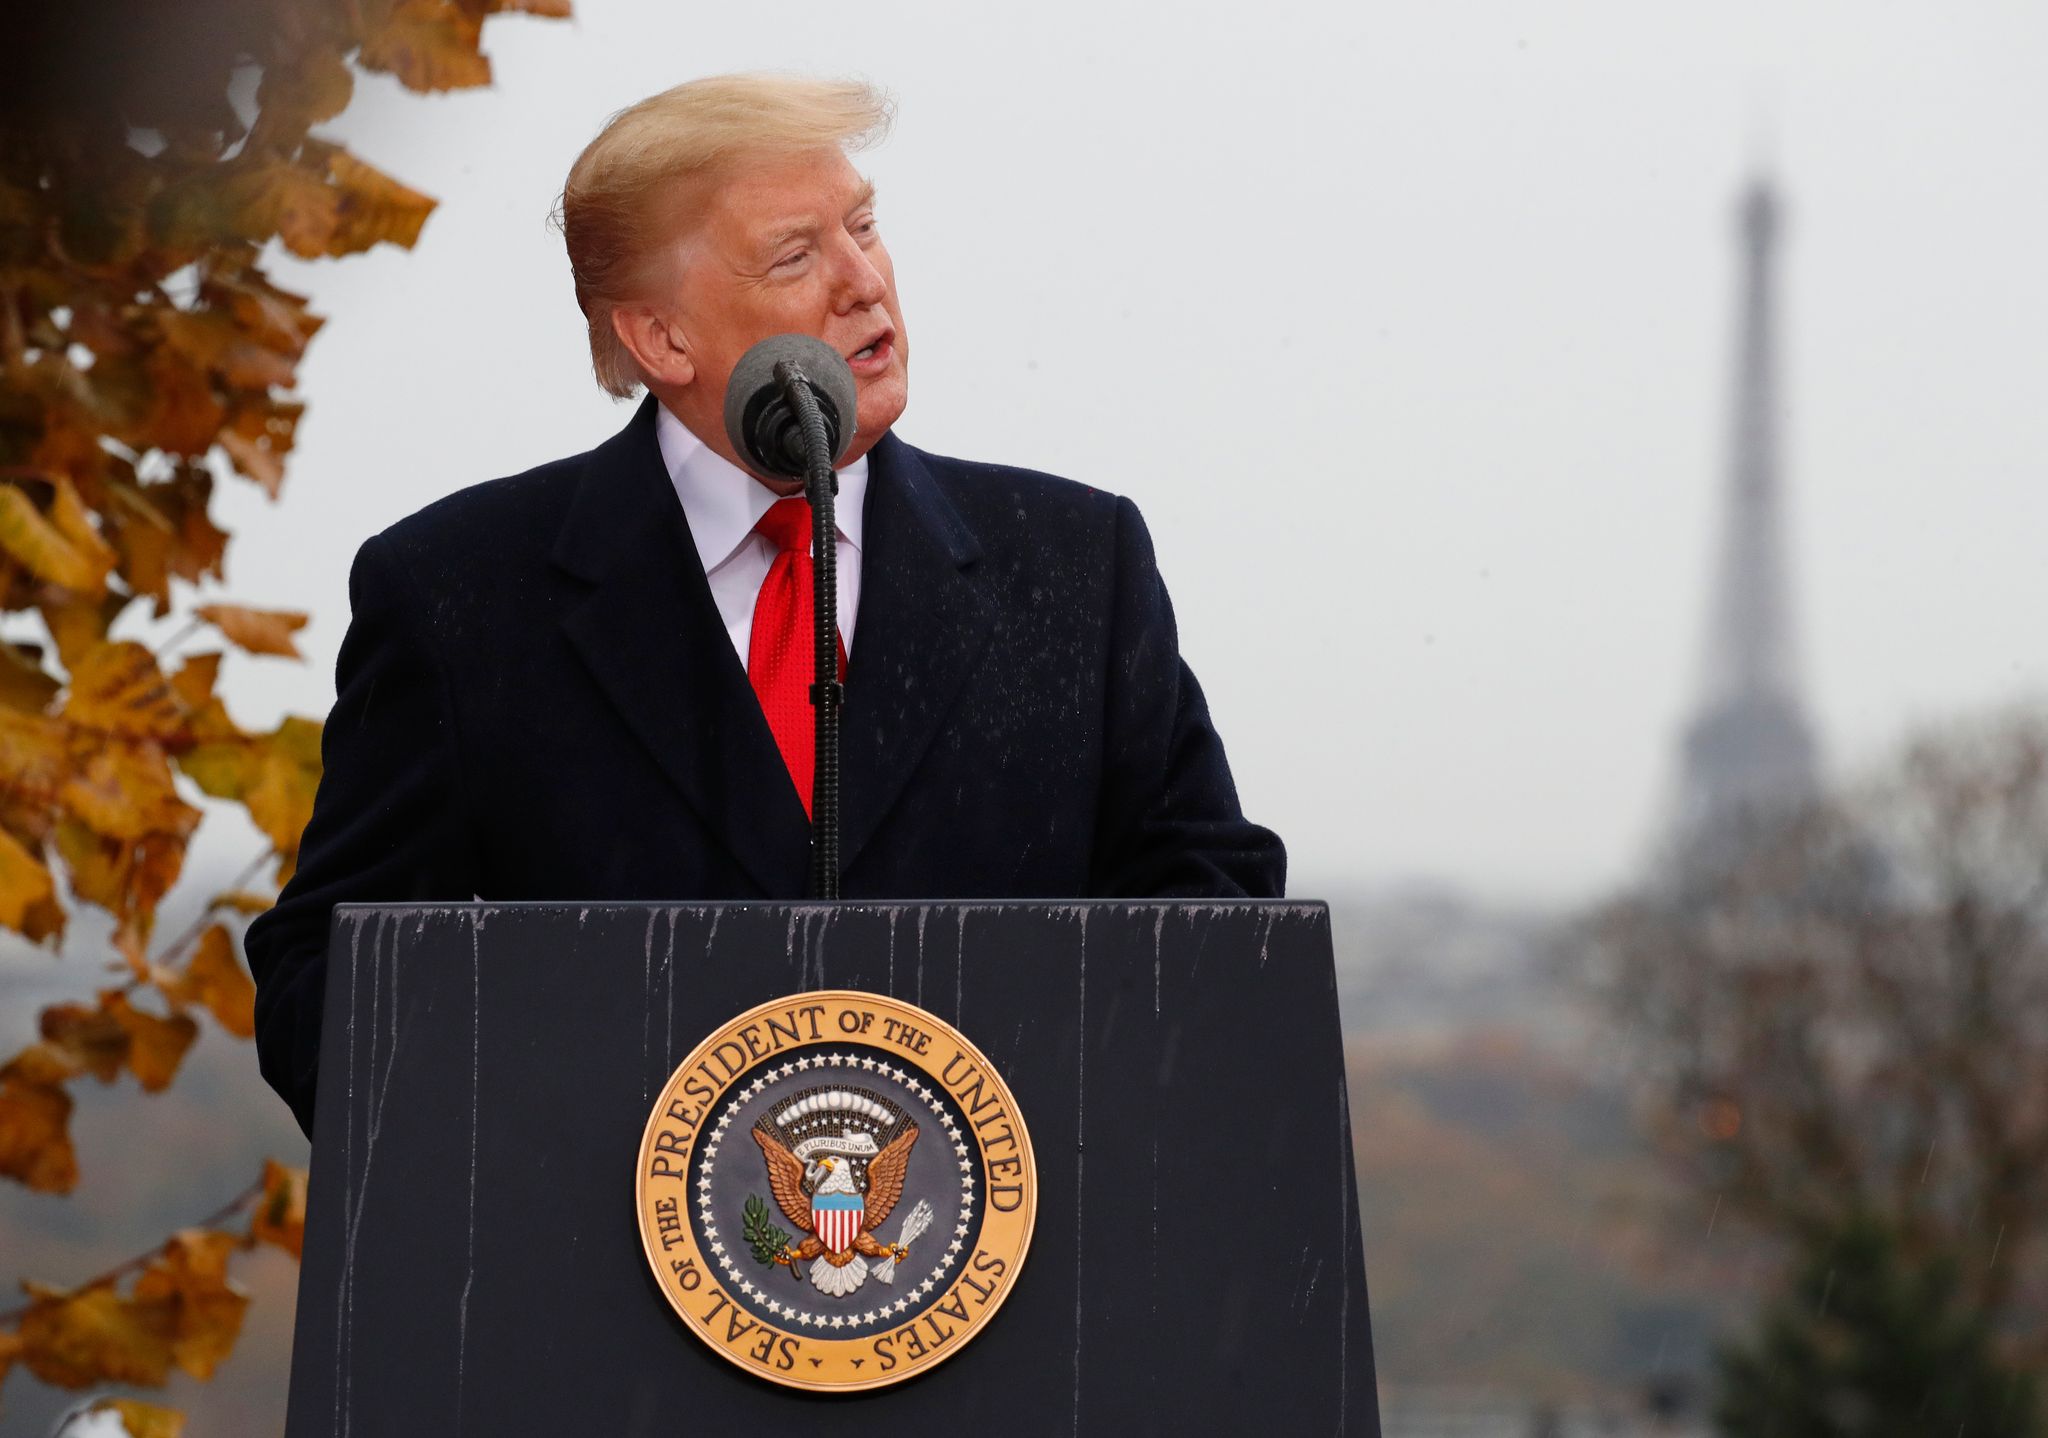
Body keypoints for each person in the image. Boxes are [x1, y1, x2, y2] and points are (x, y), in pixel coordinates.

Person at [245, 74, 1284, 1137]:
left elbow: (1215, 920)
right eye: (795, 256)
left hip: (1011, 1262)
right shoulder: (457, 594)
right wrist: (535, 1152)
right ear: (660, 338)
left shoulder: (1075, 565)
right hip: (603, 1280)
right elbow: (329, 977)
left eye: (864, 227)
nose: (863, 282)